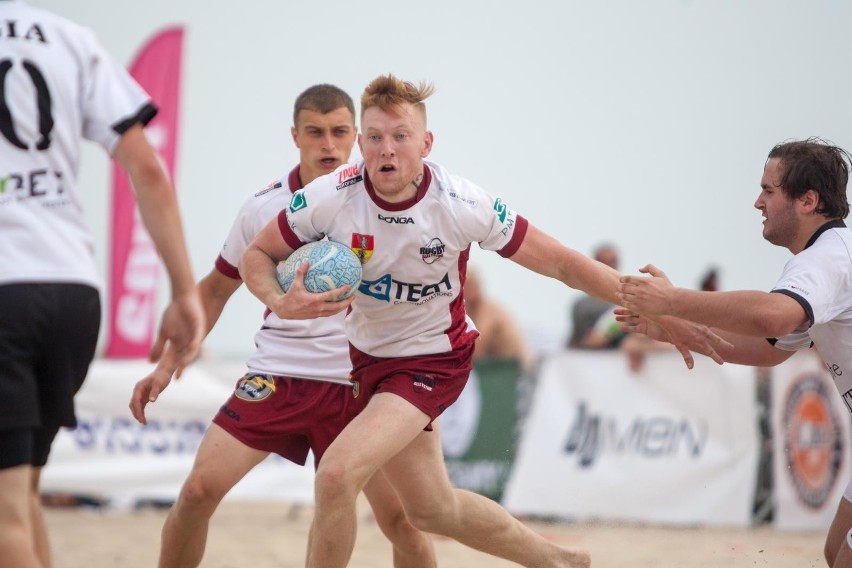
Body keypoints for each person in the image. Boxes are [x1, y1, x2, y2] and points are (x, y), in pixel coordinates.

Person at [240, 74, 726, 568]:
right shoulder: (331, 196)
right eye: (376, 137)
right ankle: (560, 561)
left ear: (426, 143)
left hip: (433, 358)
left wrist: (659, 310)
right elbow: (257, 254)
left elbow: (562, 263)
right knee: (432, 510)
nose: (388, 150)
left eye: (401, 137)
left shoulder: (460, 203)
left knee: (336, 476)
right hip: (370, 360)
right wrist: (278, 300)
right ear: (361, 142)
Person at [129, 84, 436, 568]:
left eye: (339, 132)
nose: (328, 145)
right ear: (295, 136)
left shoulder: (395, 202)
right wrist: (167, 366)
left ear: (357, 136)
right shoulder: (263, 208)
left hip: (362, 382)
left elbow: (431, 289)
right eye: (315, 132)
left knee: (405, 524)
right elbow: (213, 292)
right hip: (280, 372)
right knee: (196, 493)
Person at [0, 2, 205, 567]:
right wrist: (184, 292)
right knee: (25, 498)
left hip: (6, 291)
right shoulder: (69, 38)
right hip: (72, 289)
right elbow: (149, 171)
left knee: (4, 518)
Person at [616, 137, 852, 568]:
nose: (757, 203)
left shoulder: (827, 259)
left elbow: (771, 318)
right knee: (833, 552)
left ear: (808, 200)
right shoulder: (825, 261)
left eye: (768, 190)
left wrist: (672, 301)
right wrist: (674, 330)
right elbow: (767, 349)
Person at [464, 267, 536, 372]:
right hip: (501, 369)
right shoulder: (472, 311)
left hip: (514, 370)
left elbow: (477, 348)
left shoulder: (486, 310)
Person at [567, 243, 626, 348]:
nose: (608, 267)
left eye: (612, 262)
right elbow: (577, 343)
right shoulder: (582, 306)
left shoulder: (632, 304)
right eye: (603, 262)